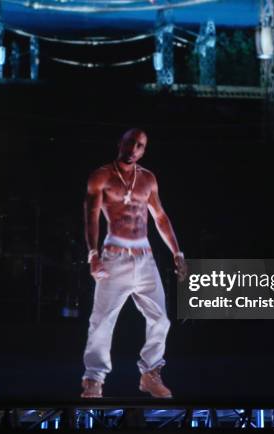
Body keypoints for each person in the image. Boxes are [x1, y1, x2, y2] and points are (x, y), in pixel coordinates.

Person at [81, 128, 187, 398]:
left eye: (140, 146)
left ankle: (150, 374)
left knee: (161, 319)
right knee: (102, 320)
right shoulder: (101, 176)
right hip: (114, 257)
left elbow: (160, 217)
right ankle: (94, 379)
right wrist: (93, 255)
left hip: (145, 258)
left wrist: (177, 253)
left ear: (143, 150)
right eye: (130, 143)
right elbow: (91, 216)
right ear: (121, 143)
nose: (134, 149)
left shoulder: (148, 179)